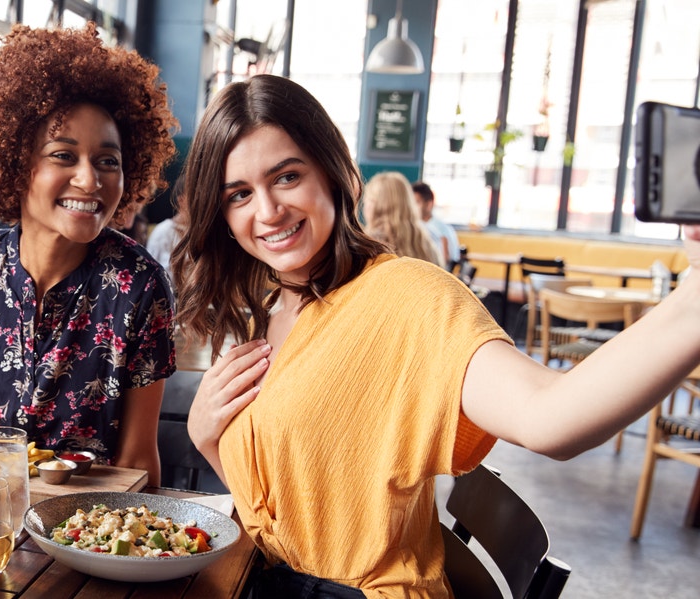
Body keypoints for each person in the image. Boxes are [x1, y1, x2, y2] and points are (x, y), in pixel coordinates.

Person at [173, 74, 700, 598]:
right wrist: (207, 437)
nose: (267, 211)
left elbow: (551, 417)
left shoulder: (407, 296)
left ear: (333, 173)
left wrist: (693, 301)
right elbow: (281, 516)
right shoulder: (272, 305)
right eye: (239, 194)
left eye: (286, 177)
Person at [0, 23, 178, 485]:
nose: (90, 180)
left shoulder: (141, 284)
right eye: (63, 156)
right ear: (15, 161)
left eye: (108, 161)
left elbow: (136, 462)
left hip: (84, 530)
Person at [362, 171, 444, 268]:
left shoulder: (368, 245)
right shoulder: (426, 243)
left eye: (368, 200)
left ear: (377, 206)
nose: (365, 206)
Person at [412, 180, 461, 268]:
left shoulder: (442, 230)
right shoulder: (414, 226)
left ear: (429, 204)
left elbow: (446, 260)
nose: (412, 207)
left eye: (417, 203)